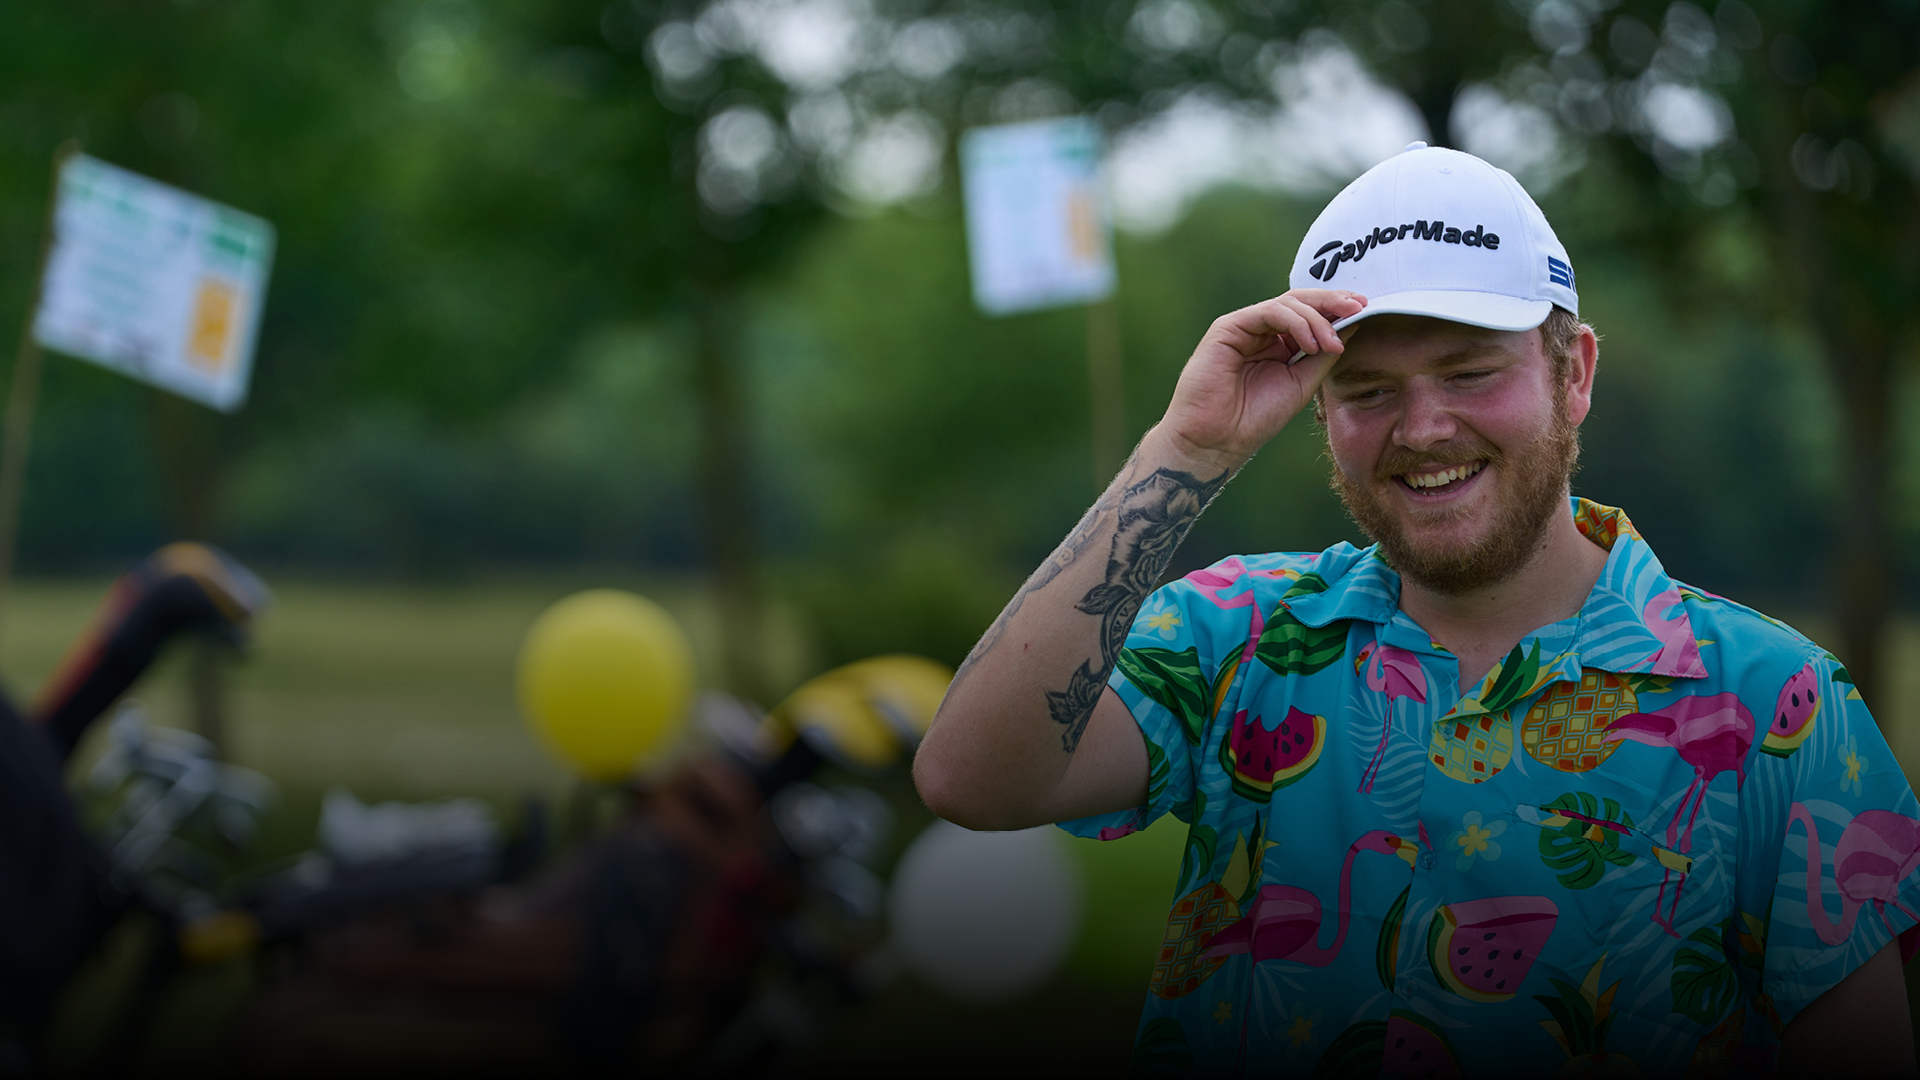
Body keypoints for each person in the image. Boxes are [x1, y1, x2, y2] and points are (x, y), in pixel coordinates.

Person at [915, 144, 1920, 1077]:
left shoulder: (1775, 702)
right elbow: (973, 778)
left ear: (1574, 375)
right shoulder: (1237, 632)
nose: (1423, 428)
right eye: (1367, 390)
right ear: (1318, 409)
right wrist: (1187, 449)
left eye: (1470, 372)